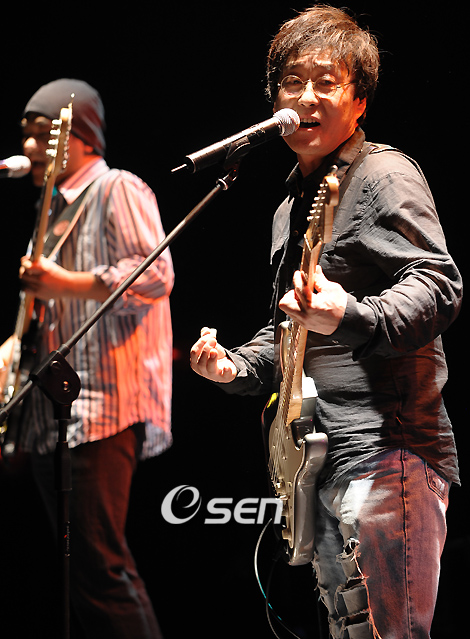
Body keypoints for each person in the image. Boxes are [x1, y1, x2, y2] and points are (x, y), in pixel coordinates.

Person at [190, 6, 462, 639]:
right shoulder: (291, 207)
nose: (306, 98)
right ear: (274, 100)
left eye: (325, 82)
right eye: (292, 83)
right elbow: (292, 330)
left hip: (386, 450)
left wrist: (350, 315)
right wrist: (235, 366)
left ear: (359, 100)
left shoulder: (383, 174)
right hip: (321, 457)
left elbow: (438, 285)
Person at [3, 78, 173, 638]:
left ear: (76, 136)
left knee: (100, 568)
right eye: (25, 135)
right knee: (76, 575)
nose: (28, 147)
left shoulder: (117, 187)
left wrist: (64, 283)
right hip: (55, 414)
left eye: (39, 134)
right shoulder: (50, 209)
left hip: (102, 406)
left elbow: (155, 274)